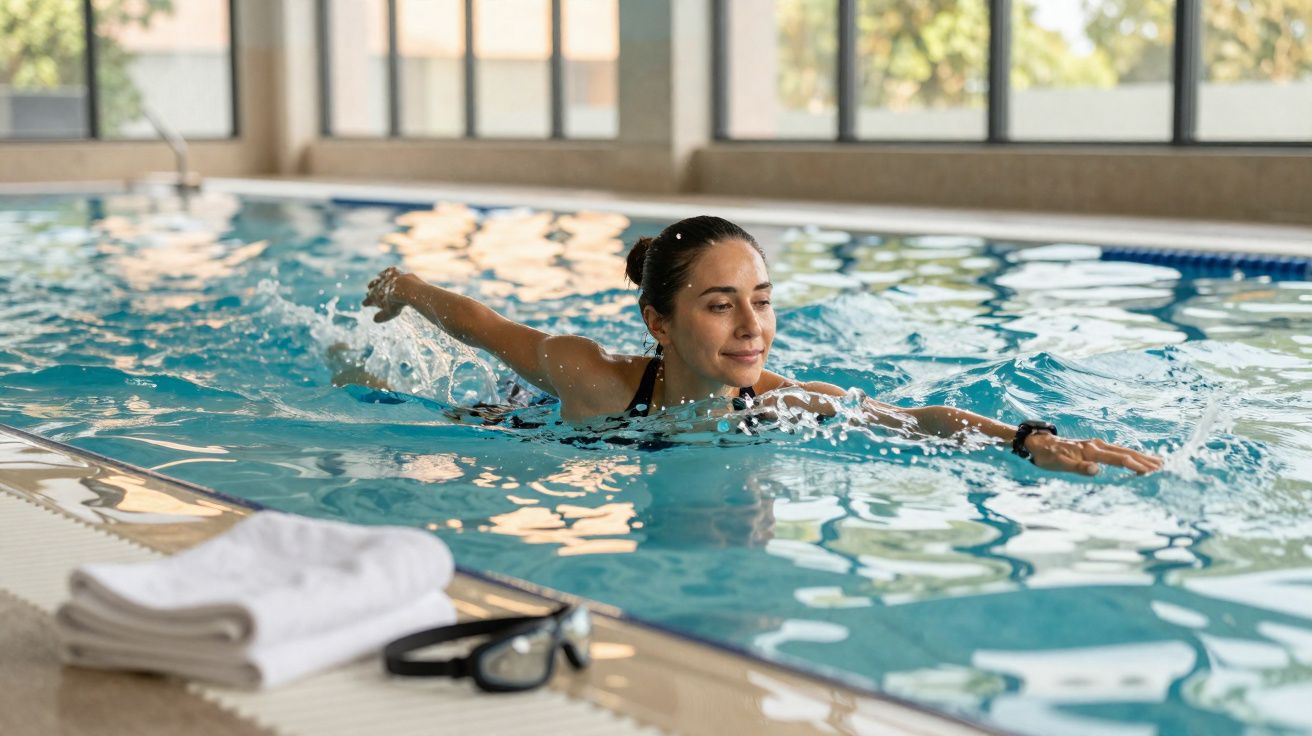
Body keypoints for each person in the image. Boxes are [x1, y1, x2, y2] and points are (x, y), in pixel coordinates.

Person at [363, 215, 1163, 477]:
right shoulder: (593, 376)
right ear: (660, 324)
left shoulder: (780, 403)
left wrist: (1026, 439)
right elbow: (482, 325)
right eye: (720, 305)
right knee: (387, 395)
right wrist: (403, 289)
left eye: (762, 302)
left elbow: (919, 420)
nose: (751, 327)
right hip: (527, 419)